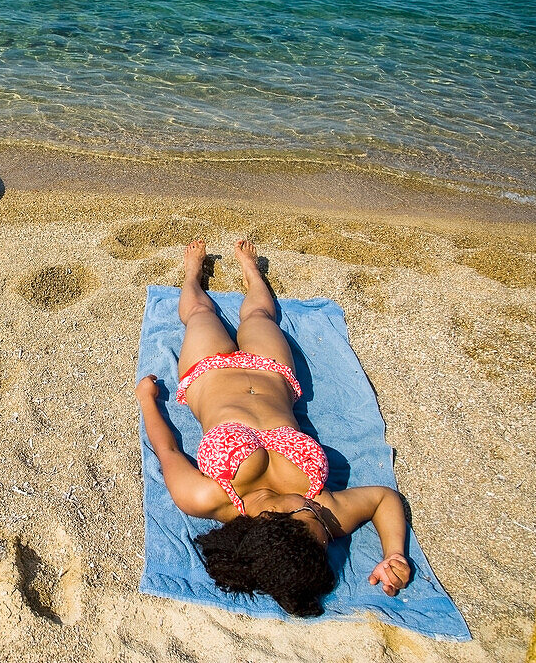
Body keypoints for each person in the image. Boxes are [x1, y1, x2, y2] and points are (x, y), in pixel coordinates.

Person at [136, 238, 411, 617]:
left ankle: (192, 274)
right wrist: (394, 553)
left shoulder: (206, 497)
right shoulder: (322, 516)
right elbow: (384, 498)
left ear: (270, 519)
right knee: (261, 318)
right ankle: (250, 269)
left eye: (308, 515)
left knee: (199, 314)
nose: (317, 512)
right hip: (272, 372)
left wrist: (147, 399)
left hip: (208, 370)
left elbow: (166, 450)